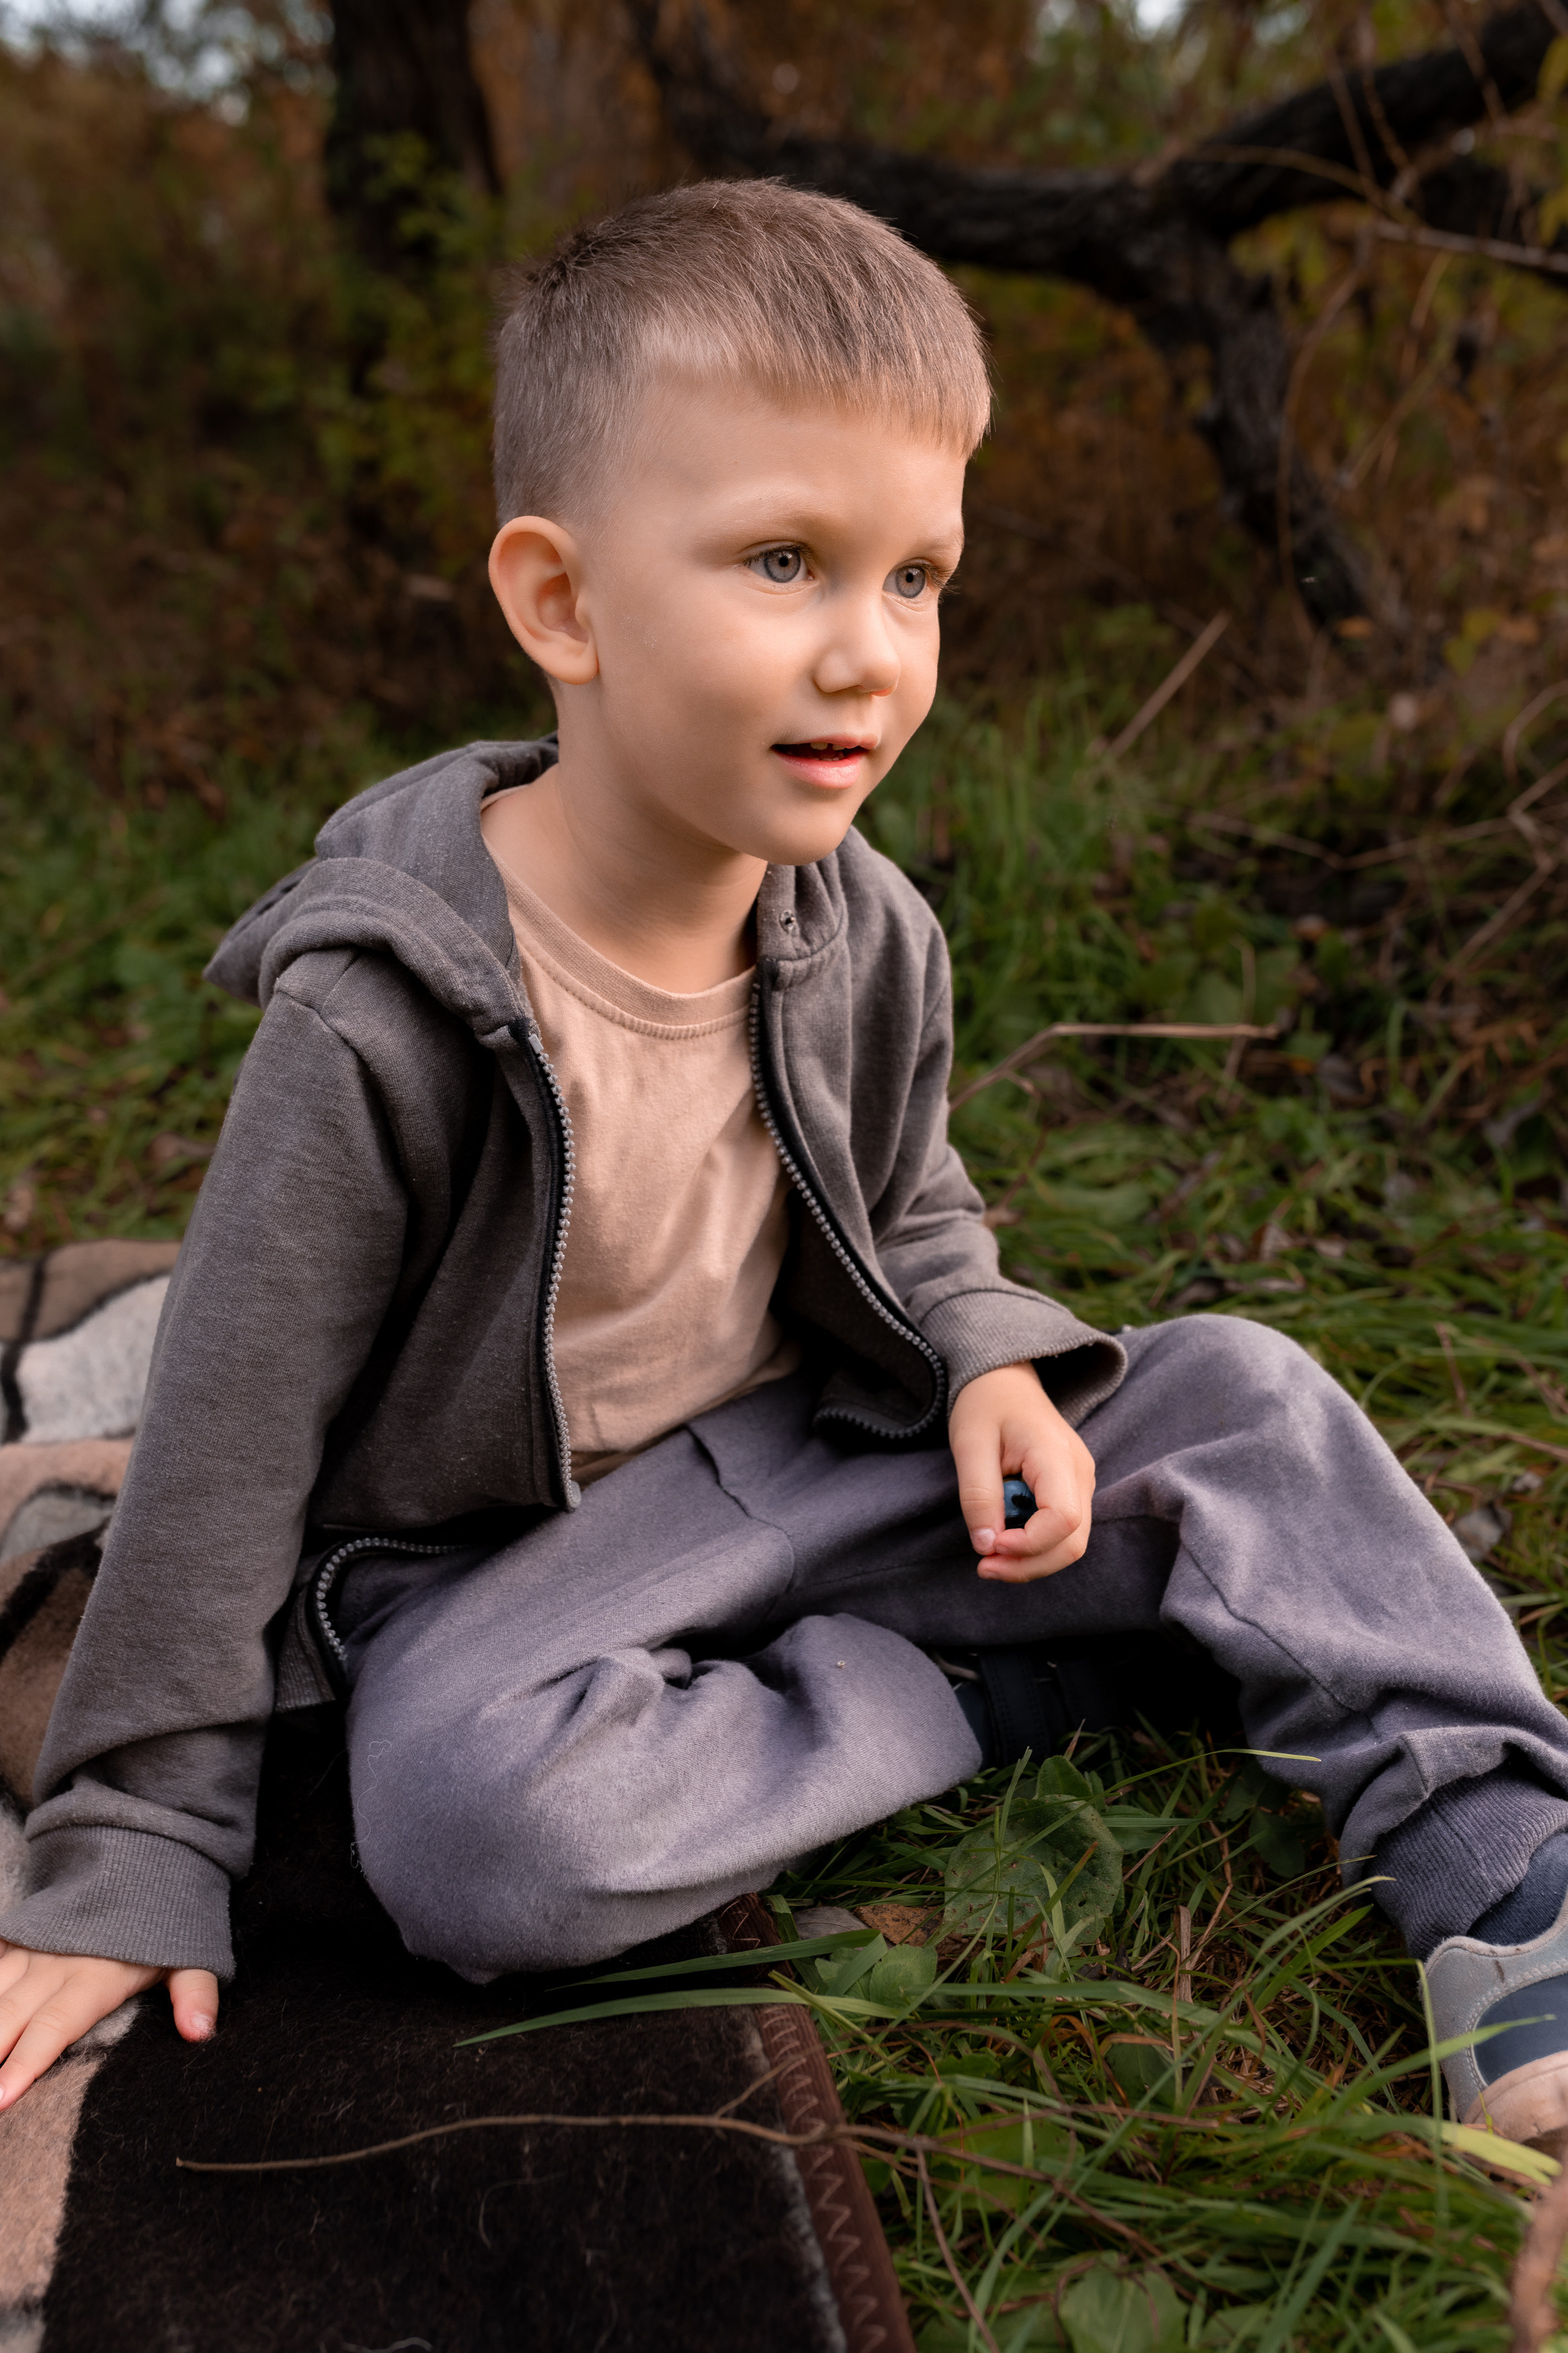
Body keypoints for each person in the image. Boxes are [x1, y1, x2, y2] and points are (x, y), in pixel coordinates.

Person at [3, 181, 1567, 2156]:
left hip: (816, 1453)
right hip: (512, 1583)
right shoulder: (383, 1018)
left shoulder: (861, 925)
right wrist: (133, 1843)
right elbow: (223, 1446)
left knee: (1242, 1399)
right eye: (784, 562)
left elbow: (911, 1203)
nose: (869, 655)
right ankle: (975, 1696)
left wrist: (986, 1356)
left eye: (917, 577)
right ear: (562, 602)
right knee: (469, 1830)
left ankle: (1502, 1869)